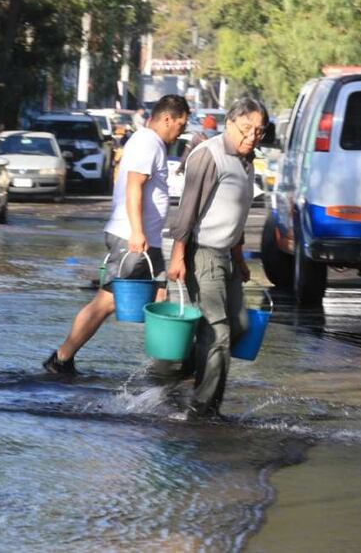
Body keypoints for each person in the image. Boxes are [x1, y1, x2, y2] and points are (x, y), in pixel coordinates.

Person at [44, 95, 190, 374]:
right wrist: (137, 231)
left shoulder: (150, 142)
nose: (181, 131)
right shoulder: (149, 142)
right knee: (107, 301)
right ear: (167, 118)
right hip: (132, 237)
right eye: (181, 124)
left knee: (161, 295)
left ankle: (165, 367)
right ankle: (61, 359)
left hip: (146, 239)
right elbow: (134, 185)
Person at [166, 97, 267, 417]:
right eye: (246, 128)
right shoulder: (209, 155)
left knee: (239, 325)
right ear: (229, 124)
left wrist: (239, 258)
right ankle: (204, 409)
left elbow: (236, 213)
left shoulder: (247, 161)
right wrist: (178, 256)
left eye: (259, 131)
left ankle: (180, 372)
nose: (251, 136)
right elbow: (188, 210)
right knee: (218, 333)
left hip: (226, 255)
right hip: (202, 253)